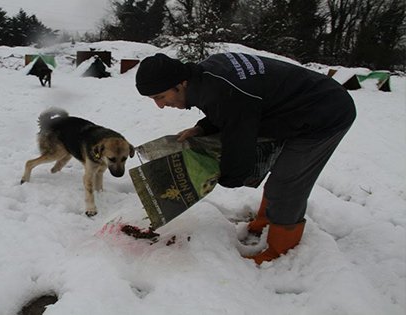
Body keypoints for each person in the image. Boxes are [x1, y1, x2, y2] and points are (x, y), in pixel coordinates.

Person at [135, 52, 356, 264]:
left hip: (325, 114)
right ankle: (265, 222)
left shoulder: (222, 90)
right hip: (293, 108)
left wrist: (228, 176)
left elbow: (239, 139)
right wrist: (202, 128)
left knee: (288, 182)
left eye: (160, 97)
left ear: (180, 83)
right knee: (282, 176)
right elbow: (233, 108)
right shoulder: (207, 76)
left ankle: (280, 251)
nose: (160, 105)